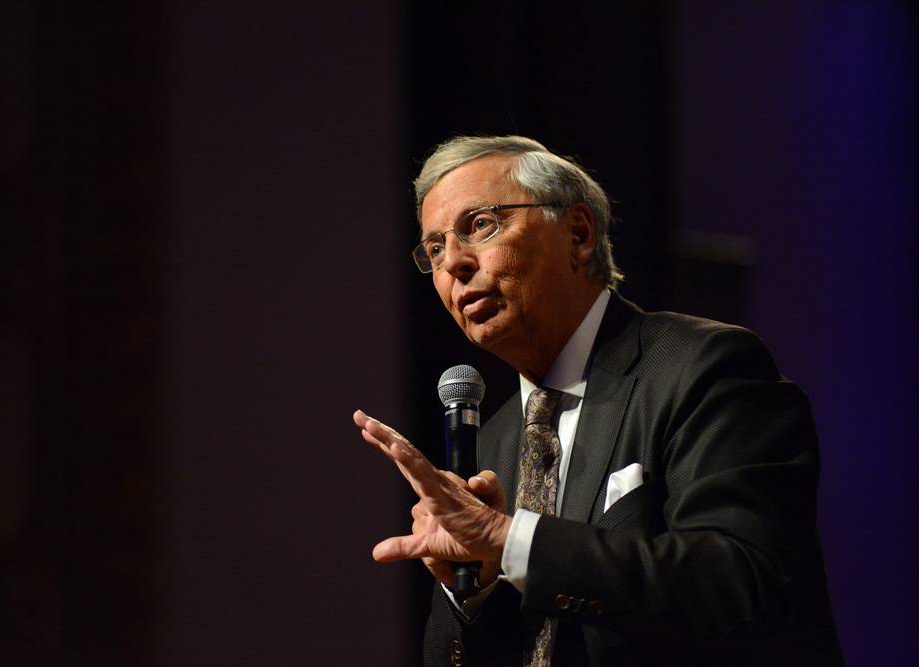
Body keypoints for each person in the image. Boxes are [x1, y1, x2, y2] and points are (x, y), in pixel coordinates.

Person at [353, 135, 843, 666]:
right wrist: (471, 589)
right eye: (435, 248)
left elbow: (743, 581)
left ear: (579, 234)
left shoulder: (703, 367)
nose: (454, 263)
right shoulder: (493, 443)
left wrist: (510, 539)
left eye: (480, 225)